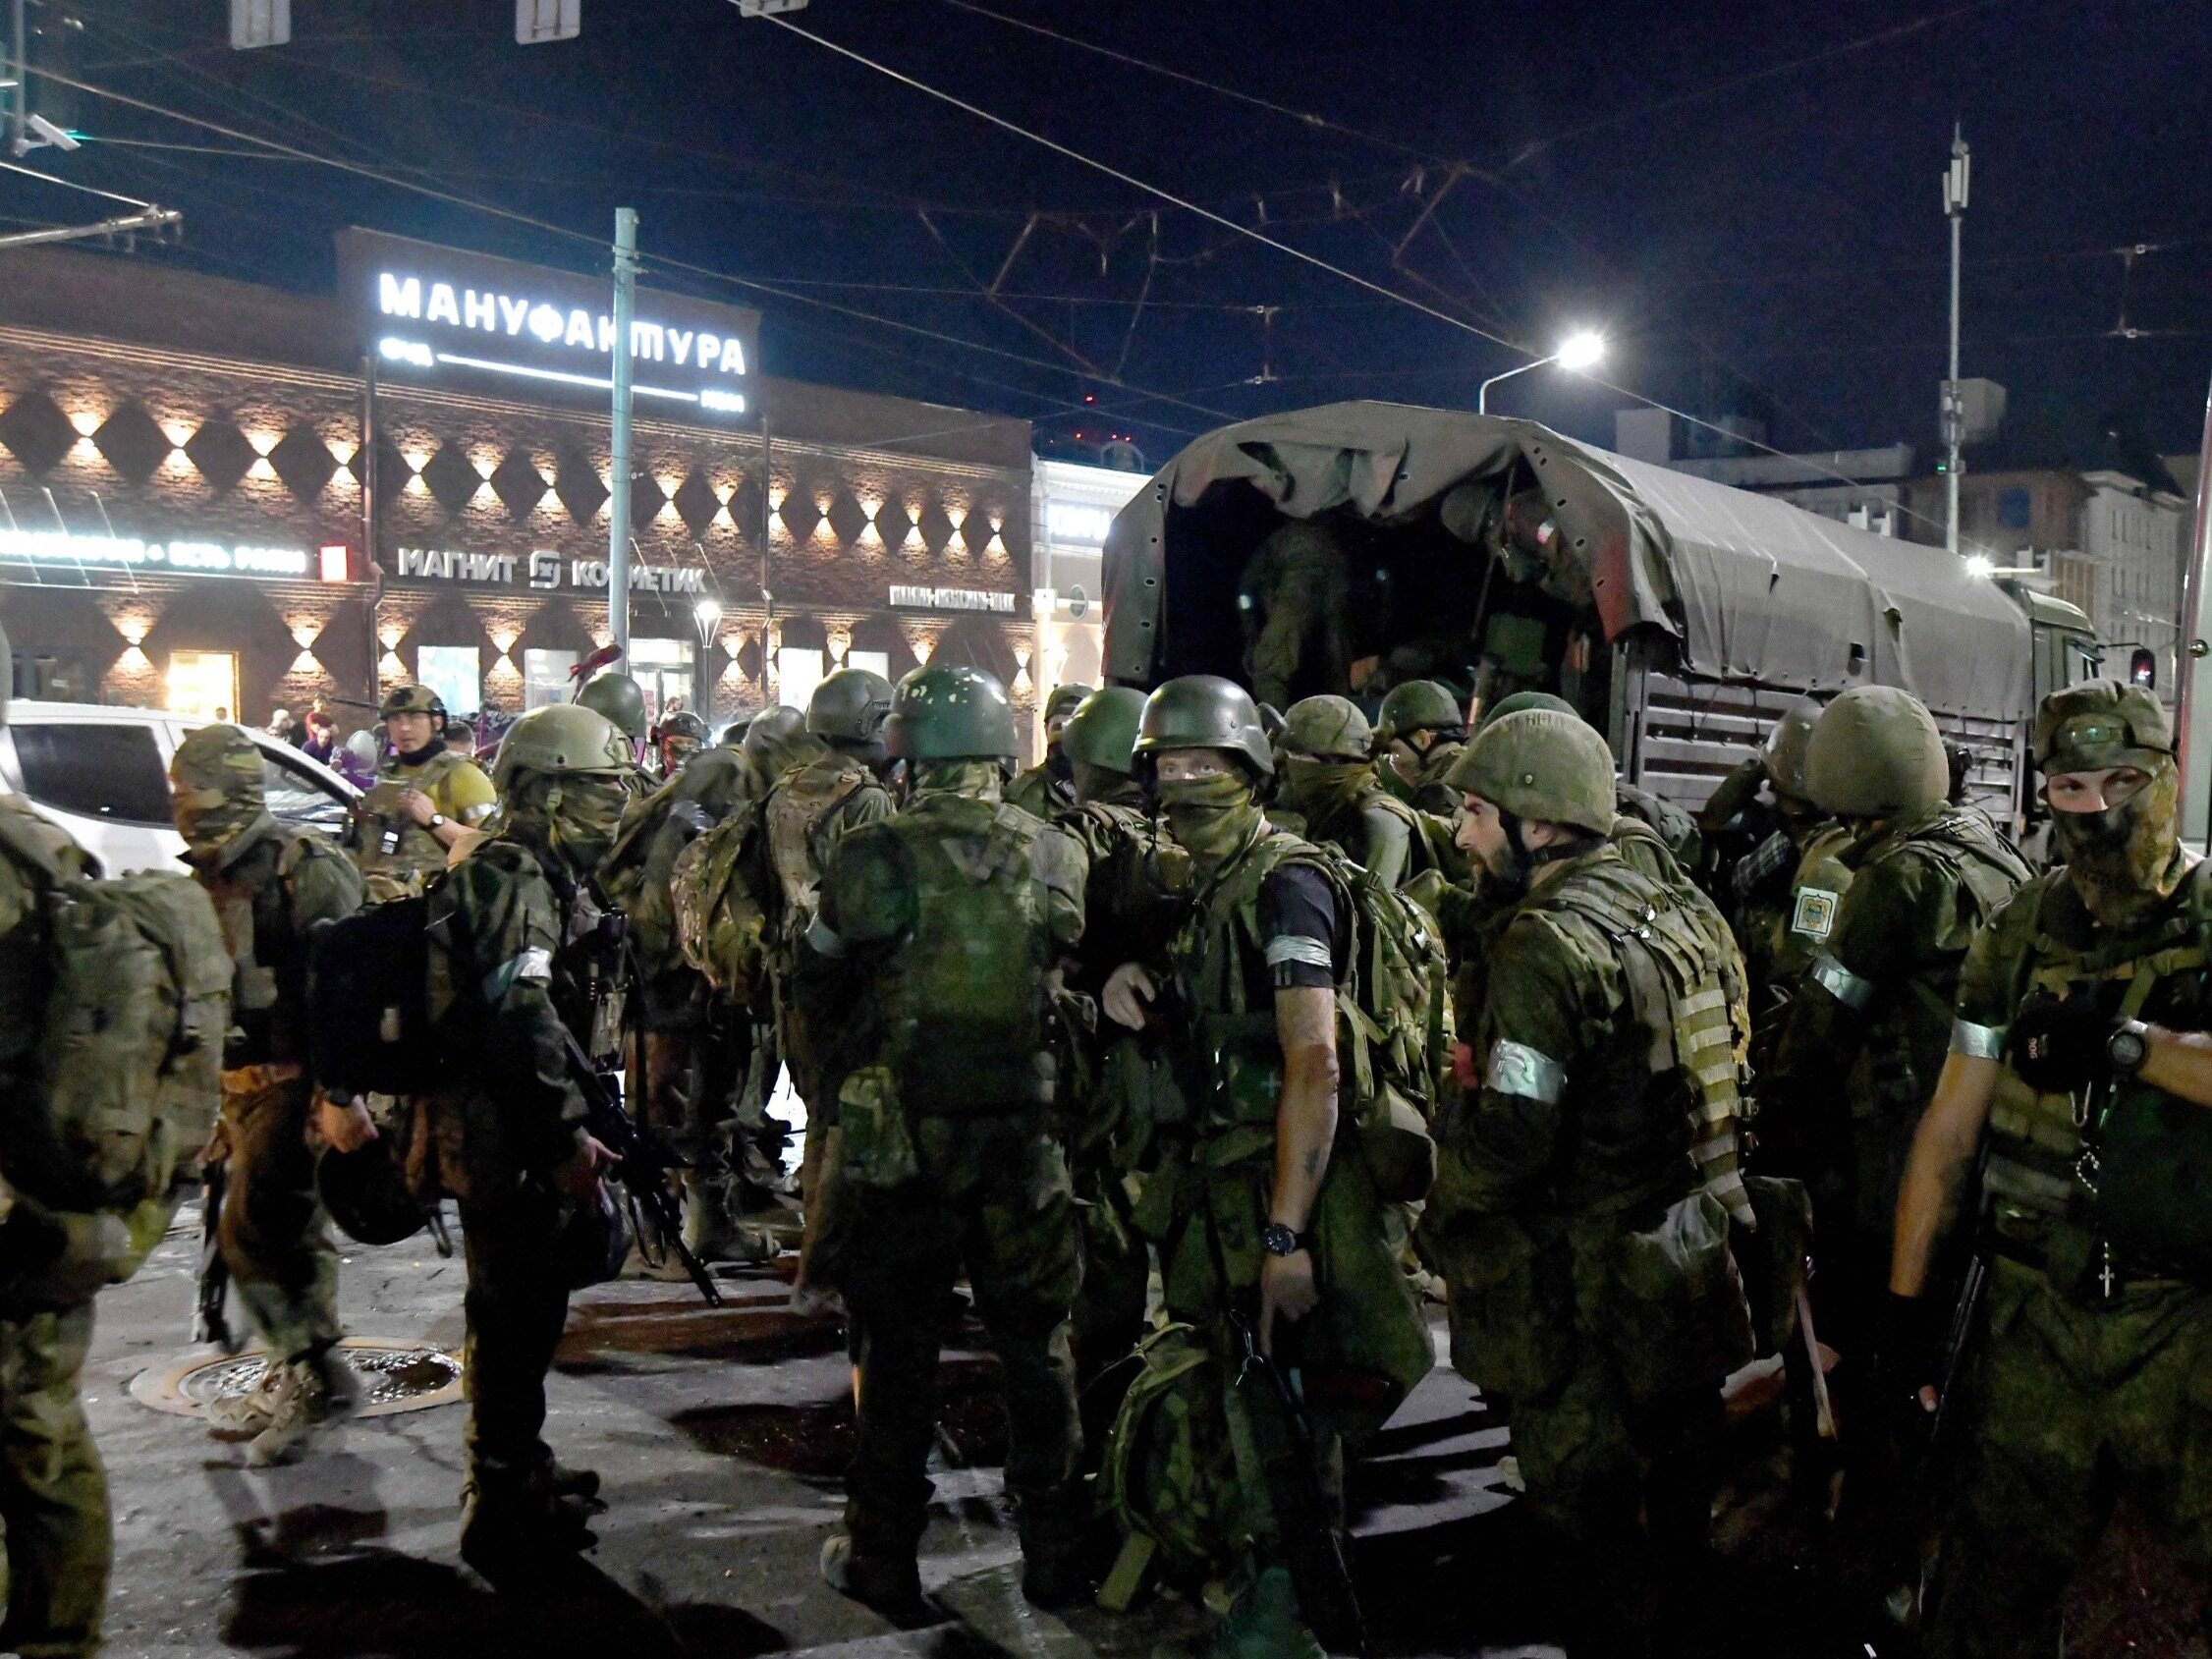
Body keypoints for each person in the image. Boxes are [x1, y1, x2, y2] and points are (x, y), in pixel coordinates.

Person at [1103, 675, 1428, 1658]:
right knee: (1244, 1398)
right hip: (1222, 1186)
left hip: (1278, 1193)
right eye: (1167, 765)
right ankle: (1263, 1587)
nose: (1182, 783)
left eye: (1204, 765)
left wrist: (1287, 1234)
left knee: (1288, 1416)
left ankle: (1289, 1618)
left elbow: (1314, 1060)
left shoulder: (1286, 881)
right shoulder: (1215, 881)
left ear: (1248, 770)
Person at [1888, 680, 2212, 1657]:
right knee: (1987, 1599)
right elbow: (1950, 1125)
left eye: (2120, 781)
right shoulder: (2019, 932)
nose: (2097, 811)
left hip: (2181, 1324)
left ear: (2165, 778)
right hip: (2034, 1318)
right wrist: (1905, 1309)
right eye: (2069, 788)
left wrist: (2123, 1045)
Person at [1430, 706, 1752, 1657]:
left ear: (1536, 825)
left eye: (1475, 815)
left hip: (1577, 1277)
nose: (1459, 835)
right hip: (1681, 1248)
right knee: (1678, 1491)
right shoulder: (1679, 905)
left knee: (1587, 1525)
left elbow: (1515, 1136)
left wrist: (1440, 1191)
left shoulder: (1544, 943)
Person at [796, 664, 1090, 1614]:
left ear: (908, 754)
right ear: (1002, 751)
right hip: (1023, 1138)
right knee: (1037, 1348)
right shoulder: (1056, 852)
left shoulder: (869, 855)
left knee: (899, 1349)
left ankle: (884, 1549)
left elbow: (815, 984)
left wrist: (843, 1089)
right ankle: (1052, 1549)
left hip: (899, 1143)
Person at [412, 701, 632, 1581]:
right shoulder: (514, 880)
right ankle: (499, 1503)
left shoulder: (533, 872)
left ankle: (518, 1465)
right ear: (540, 794)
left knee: (527, 1311)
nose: (608, 813)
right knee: (510, 1315)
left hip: (516, 1129)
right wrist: (567, 1141)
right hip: (507, 1138)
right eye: (592, 795)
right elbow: (521, 1020)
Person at [1763, 685, 2027, 1358]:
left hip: (1893, 1152)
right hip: (1987, 1131)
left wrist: (1775, 1130)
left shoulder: (1893, 879)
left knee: (1860, 1333)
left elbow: (1819, 1031)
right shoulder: (1990, 848)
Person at [169, 725, 369, 1465]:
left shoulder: (304, 868)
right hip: (239, 1087)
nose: (185, 807)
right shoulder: (203, 876)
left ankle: (310, 1372)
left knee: (253, 1230)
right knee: (274, 1232)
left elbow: (346, 989)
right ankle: (308, 1371)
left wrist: (337, 1093)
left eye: (197, 791)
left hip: (298, 1085)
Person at [1048, 686, 1189, 1454]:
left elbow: (1043, 951)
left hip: (1102, 1103)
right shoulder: (1191, 838)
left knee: (1103, 1288)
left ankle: (1100, 1446)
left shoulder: (1070, 837)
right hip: (1180, 1098)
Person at [747, 671, 897, 1291]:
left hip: (794, 974)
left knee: (819, 1112)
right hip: (846, 977)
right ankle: (829, 1268)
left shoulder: (785, 788)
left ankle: (820, 1253)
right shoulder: (865, 799)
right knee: (844, 1124)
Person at [353, 686, 498, 900]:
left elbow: (494, 849)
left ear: (436, 722)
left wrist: (434, 821)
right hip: (373, 896)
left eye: (414, 718)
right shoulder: (389, 773)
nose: (404, 728)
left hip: (434, 907)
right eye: (395, 719)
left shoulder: (464, 774)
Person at [1273, 693, 1429, 889]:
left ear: (1337, 762)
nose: (1287, 763)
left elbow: (1375, 909)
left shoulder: (1380, 821)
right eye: (1287, 752)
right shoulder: (1312, 801)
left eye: (1298, 753)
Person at [1239, 520, 1355, 709]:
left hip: (1303, 562)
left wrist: (1253, 636)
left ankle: (1274, 729)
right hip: (1323, 562)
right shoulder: (1258, 584)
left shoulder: (1276, 574)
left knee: (1270, 666)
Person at [1373, 679, 1468, 814]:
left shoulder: (1437, 797)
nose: (1391, 760)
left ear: (1423, 739)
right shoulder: (1471, 771)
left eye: (1393, 750)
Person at [1008, 682, 1092, 818]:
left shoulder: (1109, 792)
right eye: (1059, 727)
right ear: (1046, 728)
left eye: (1078, 728)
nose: (1067, 735)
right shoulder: (1019, 793)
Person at [654, 709, 709, 779]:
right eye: (677, 742)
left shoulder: (710, 782)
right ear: (662, 745)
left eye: (690, 743)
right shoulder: (647, 782)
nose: (683, 747)